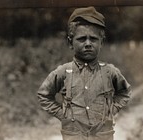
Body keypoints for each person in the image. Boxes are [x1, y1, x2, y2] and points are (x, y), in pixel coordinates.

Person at [37, 6, 131, 140]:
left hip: (103, 135)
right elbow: (43, 95)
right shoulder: (64, 71)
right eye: (81, 39)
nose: (88, 44)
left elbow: (124, 92)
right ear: (70, 42)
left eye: (93, 39)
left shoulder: (110, 72)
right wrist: (62, 114)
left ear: (102, 42)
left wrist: (111, 110)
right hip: (73, 135)